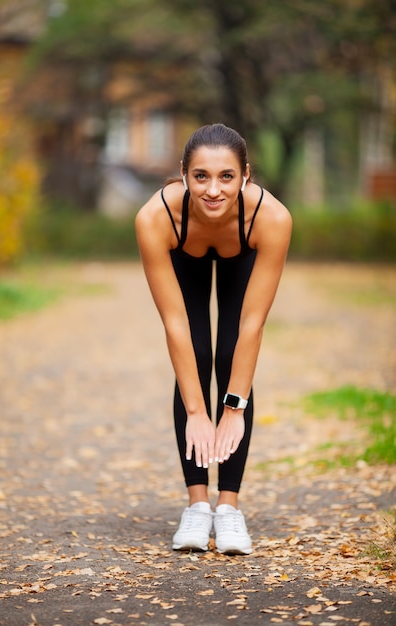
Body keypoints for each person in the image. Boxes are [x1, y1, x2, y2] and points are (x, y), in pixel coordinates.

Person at [135, 123, 292, 555]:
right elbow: (176, 324)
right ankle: (197, 503)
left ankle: (228, 508)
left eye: (226, 176)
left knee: (228, 356)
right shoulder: (154, 218)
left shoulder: (272, 218)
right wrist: (197, 412)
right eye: (201, 176)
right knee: (197, 353)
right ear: (183, 174)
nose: (213, 189)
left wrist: (232, 409)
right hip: (182, 248)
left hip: (244, 249)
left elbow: (251, 325)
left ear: (246, 177)